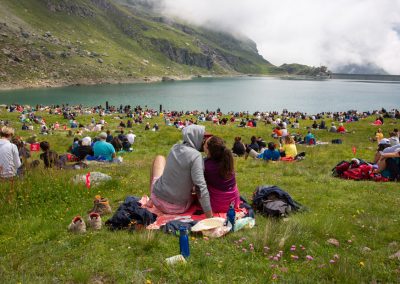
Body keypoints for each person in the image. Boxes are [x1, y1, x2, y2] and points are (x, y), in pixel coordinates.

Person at [148, 125, 213, 217]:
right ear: (196, 138)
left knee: (159, 158)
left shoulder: (174, 148)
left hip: (157, 199)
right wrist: (209, 216)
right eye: (203, 138)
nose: (204, 141)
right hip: (177, 207)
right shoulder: (196, 156)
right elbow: (200, 186)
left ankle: (150, 201)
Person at [204, 136, 240, 212]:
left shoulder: (206, 165)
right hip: (234, 203)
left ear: (208, 149)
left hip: (217, 206)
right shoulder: (228, 160)